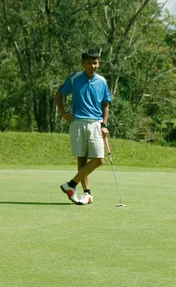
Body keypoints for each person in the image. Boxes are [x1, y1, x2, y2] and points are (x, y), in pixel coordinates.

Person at [55, 48, 112, 205]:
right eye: (88, 63)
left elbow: (105, 104)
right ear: (83, 63)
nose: (92, 66)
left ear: (98, 63)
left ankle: (70, 185)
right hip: (78, 122)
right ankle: (87, 194)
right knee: (82, 159)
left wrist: (104, 124)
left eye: (95, 63)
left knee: (99, 159)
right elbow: (59, 95)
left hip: (95, 123)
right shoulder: (74, 79)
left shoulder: (102, 81)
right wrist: (63, 114)